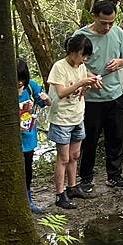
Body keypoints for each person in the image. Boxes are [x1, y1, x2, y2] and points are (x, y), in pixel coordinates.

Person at [75, 0, 123, 191]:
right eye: (103, 23)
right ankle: (86, 178)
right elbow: (73, 65)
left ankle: (114, 176)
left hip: (115, 94)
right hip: (91, 98)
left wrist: (120, 62)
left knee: (115, 137)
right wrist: (89, 76)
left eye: (111, 23)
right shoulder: (81, 36)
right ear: (94, 17)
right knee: (89, 139)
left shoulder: (118, 33)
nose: (107, 27)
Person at [47, 35, 102, 209]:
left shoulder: (81, 66)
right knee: (63, 158)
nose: (84, 59)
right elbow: (62, 92)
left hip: (77, 116)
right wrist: (81, 82)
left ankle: (72, 187)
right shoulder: (59, 67)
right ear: (72, 52)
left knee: (75, 155)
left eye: (86, 56)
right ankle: (59, 194)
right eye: (82, 55)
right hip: (62, 118)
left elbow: (81, 86)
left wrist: (89, 84)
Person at [18, 58, 52, 214]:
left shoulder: (30, 87)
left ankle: (28, 200)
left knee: (27, 170)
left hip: (28, 138)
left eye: (21, 82)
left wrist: (45, 99)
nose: (19, 85)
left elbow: (46, 102)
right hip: (11, 140)